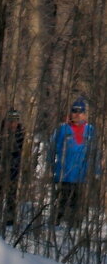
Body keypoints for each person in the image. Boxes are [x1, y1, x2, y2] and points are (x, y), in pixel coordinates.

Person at [51, 98, 97, 228]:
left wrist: (95, 172)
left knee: (77, 205)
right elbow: (52, 149)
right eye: (74, 111)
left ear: (85, 113)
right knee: (61, 202)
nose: (77, 114)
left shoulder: (90, 130)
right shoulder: (62, 129)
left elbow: (95, 153)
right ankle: (55, 225)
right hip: (63, 174)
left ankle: (75, 227)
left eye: (80, 111)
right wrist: (52, 167)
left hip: (81, 176)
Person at [0, 108, 24, 228]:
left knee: (12, 195)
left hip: (14, 169)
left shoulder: (21, 134)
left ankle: (10, 219)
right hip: (0, 169)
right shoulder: (0, 133)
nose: (12, 123)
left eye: (15, 121)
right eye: (10, 120)